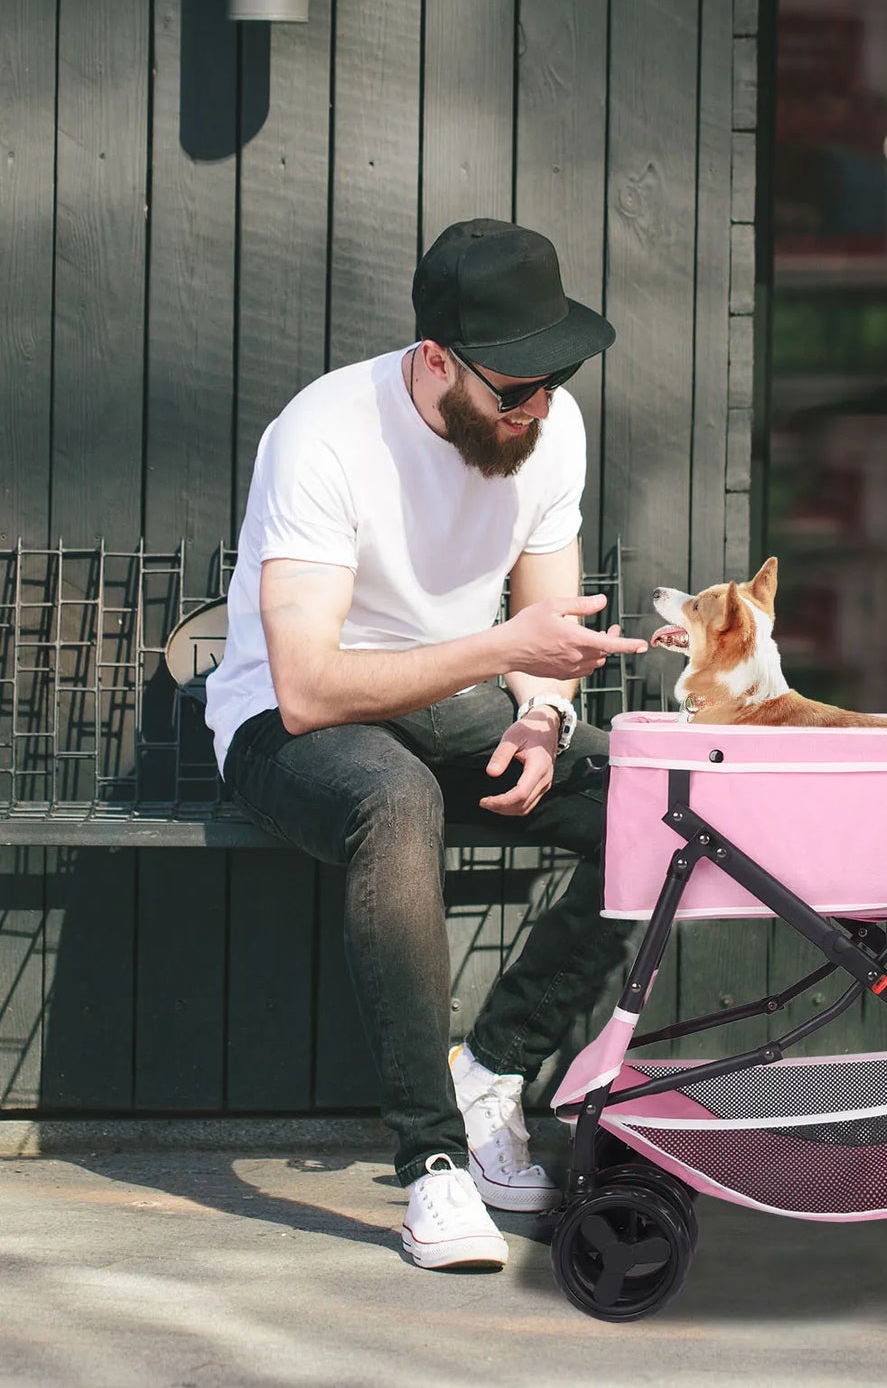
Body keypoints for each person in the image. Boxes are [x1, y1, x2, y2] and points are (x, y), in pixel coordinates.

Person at [204, 218, 649, 1270]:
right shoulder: (323, 435)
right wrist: (499, 648)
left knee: (649, 808)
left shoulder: (551, 425)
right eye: (513, 390)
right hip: (283, 717)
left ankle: (491, 1070)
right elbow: (310, 687)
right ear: (436, 359)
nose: (538, 406)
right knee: (393, 799)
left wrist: (542, 713)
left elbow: (543, 626)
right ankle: (432, 1166)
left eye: (557, 377)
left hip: (446, 692)